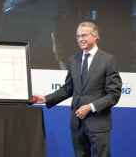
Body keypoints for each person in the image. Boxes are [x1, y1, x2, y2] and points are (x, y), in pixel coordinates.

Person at [32, 21, 122, 157]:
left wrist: (90, 107)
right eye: (78, 36)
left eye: (84, 35)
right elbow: (68, 88)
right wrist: (45, 98)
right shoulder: (73, 59)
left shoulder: (108, 60)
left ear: (95, 36)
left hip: (98, 124)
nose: (80, 39)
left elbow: (113, 95)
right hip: (77, 124)